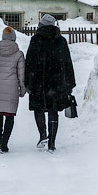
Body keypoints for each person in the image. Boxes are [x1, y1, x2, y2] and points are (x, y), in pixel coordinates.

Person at [25, 14, 75, 152]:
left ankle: (43, 135)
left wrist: (27, 82)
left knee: (38, 108)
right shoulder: (61, 41)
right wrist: (70, 83)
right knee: (53, 110)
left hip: (38, 81)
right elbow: (67, 63)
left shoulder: (35, 40)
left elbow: (29, 62)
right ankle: (52, 142)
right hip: (57, 83)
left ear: (40, 25)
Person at [0, 26, 27, 153]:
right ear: (14, 38)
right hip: (11, 87)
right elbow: (21, 74)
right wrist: (22, 88)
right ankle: (4, 143)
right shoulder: (19, 54)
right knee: (10, 115)